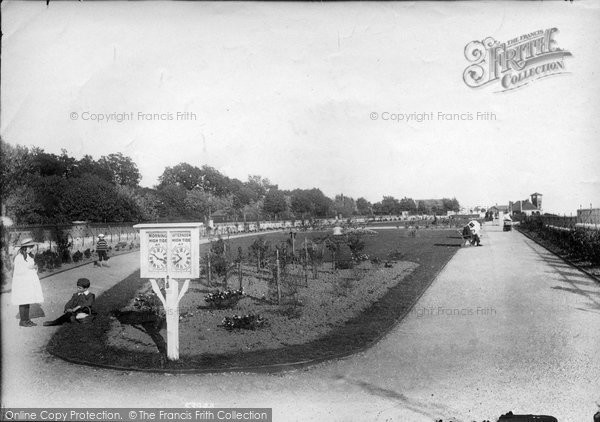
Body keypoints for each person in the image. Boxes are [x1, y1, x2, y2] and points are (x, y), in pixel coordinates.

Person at [11, 238, 44, 327]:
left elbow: (32, 267)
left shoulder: (29, 256)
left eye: (32, 247)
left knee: (28, 300)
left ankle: (27, 319)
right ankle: (23, 320)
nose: (31, 249)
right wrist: (29, 268)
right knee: (23, 301)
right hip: (22, 282)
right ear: (24, 248)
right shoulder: (19, 257)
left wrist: (34, 267)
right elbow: (18, 271)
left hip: (29, 282)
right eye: (30, 247)